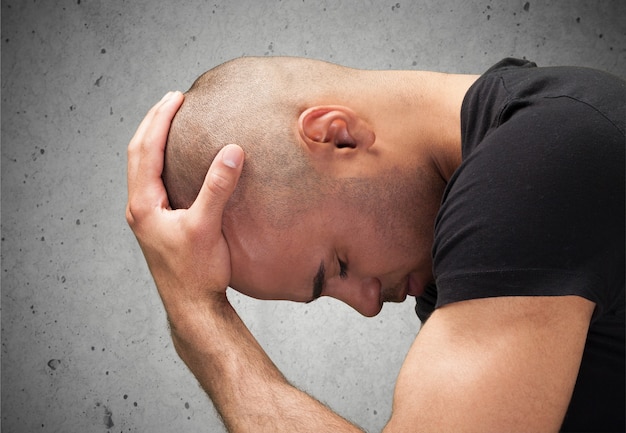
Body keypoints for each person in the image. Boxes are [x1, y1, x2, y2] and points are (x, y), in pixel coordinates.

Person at [126, 57, 625, 432]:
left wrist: (199, 317)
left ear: (338, 136)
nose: (368, 304)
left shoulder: (541, 166)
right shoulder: (497, 204)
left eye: (338, 266)